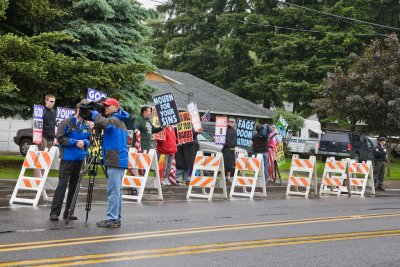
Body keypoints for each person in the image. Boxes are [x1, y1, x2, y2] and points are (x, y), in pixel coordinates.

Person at [50, 101, 91, 221]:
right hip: (67, 159)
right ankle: (55, 212)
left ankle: (69, 212)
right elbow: (60, 138)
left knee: (75, 186)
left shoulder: (86, 125)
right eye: (84, 110)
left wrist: (85, 142)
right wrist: (75, 142)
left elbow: (89, 140)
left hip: (79, 159)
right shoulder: (66, 122)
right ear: (78, 110)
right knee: (62, 185)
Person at [91, 98, 129, 228]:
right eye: (104, 106)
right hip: (117, 160)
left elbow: (102, 122)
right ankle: (115, 218)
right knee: (116, 191)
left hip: (116, 160)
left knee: (113, 191)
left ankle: (112, 219)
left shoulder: (115, 120)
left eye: (107, 106)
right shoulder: (118, 120)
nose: (105, 108)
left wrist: (93, 112)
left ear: (115, 107)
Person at [222, 118, 237, 182]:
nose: (232, 123)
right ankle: (225, 176)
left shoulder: (234, 130)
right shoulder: (224, 129)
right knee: (226, 163)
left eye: (233, 122)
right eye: (231, 121)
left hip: (232, 149)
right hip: (226, 149)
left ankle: (228, 177)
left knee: (231, 164)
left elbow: (235, 139)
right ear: (228, 122)